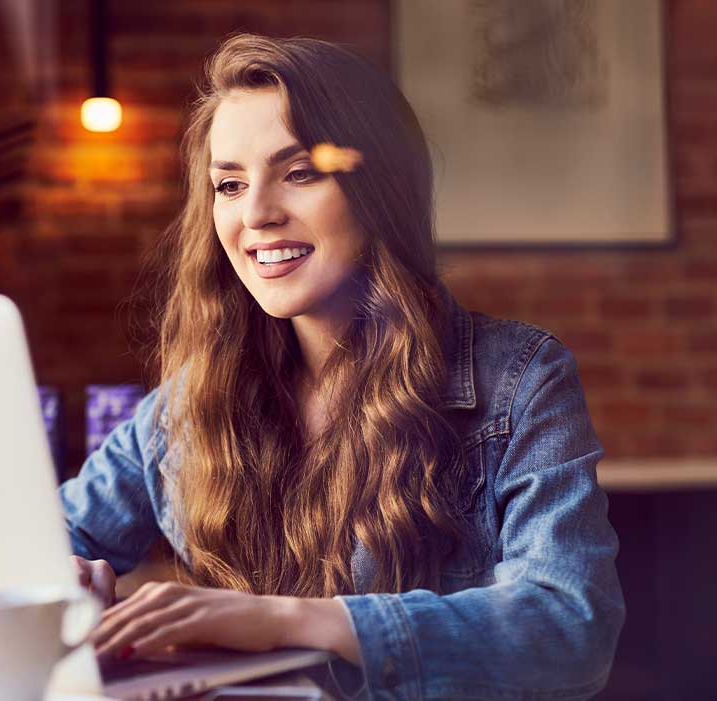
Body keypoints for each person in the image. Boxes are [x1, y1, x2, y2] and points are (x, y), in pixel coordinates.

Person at [60, 33, 625, 700]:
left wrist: (290, 620)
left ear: (378, 187)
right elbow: (49, 536)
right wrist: (57, 573)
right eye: (230, 184)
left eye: (298, 173)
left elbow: (569, 629)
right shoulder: (184, 405)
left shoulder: (521, 380)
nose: (257, 214)